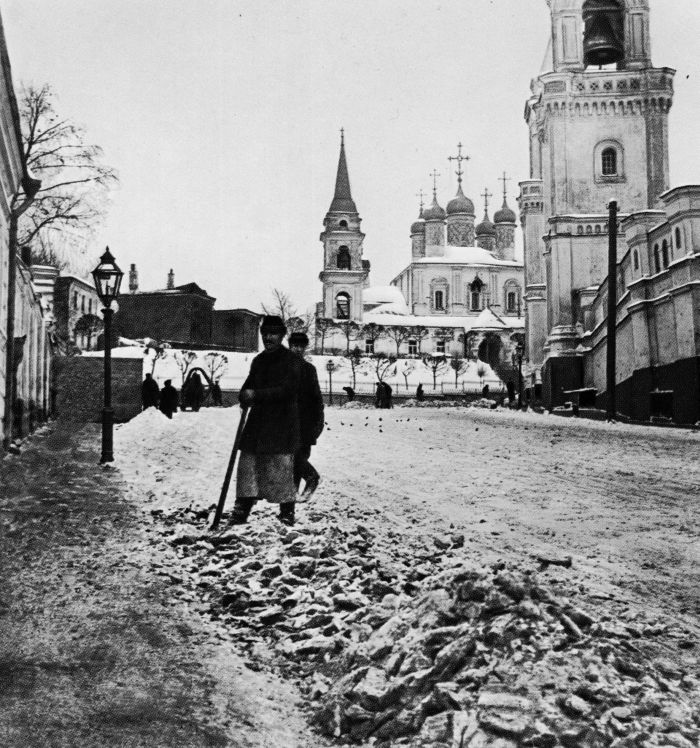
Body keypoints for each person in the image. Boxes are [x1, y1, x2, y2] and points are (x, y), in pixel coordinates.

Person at [230, 316, 303, 526]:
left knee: (281, 466)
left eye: (272, 334)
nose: (267, 337)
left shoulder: (292, 361)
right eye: (264, 333)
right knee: (248, 465)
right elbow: (248, 385)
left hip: (281, 423)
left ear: (281, 336)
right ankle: (242, 508)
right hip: (258, 423)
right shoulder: (259, 360)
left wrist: (257, 395)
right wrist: (244, 394)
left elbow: (288, 391)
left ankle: (287, 511)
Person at [288, 331, 324, 499]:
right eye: (295, 346)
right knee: (290, 462)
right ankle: (290, 504)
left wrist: (318, 424)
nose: (297, 349)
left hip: (304, 423)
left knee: (296, 460)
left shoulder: (309, 370)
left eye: (301, 346)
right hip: (285, 422)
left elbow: (316, 399)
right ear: (289, 347)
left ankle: (310, 478)